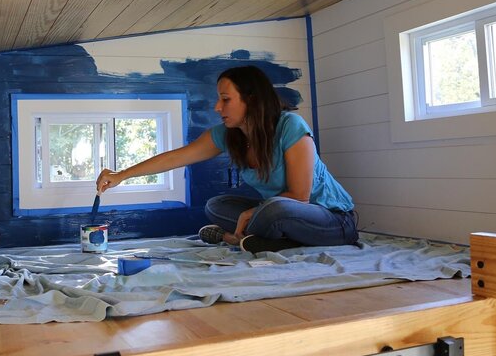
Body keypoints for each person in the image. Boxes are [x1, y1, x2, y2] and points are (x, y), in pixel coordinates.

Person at [96, 65, 358, 253]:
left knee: (276, 208)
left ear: (251, 100)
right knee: (216, 206)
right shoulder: (228, 135)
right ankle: (269, 241)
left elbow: (300, 196)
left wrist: (254, 211)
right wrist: (121, 175)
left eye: (225, 99)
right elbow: (176, 157)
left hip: (332, 220)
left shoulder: (291, 126)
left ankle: (239, 238)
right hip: (278, 215)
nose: (217, 107)